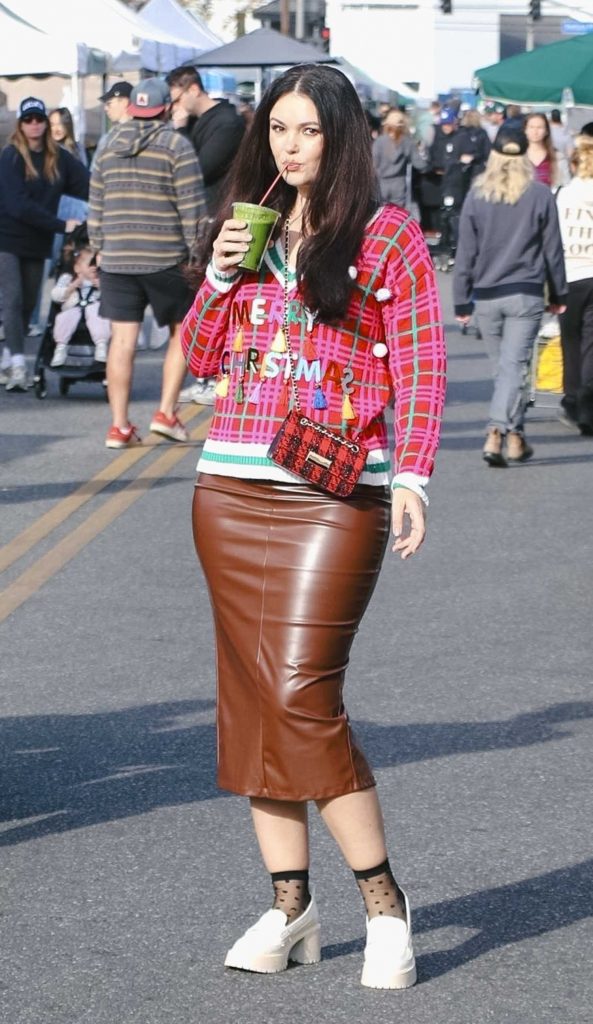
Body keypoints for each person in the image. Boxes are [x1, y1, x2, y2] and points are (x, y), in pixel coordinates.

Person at [181, 63, 446, 987]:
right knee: (250, 700)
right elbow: (203, 355)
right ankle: (291, 908)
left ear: (341, 140)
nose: (290, 147)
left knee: (300, 692)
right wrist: (217, 276)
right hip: (231, 488)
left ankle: (383, 900)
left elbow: (418, 365)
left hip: (335, 493)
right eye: (279, 130)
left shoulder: (386, 236)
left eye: (309, 131)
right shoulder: (246, 228)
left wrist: (410, 474)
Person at [88, 78, 206, 449]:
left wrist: (98, 247)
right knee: (180, 331)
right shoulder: (176, 146)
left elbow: (95, 205)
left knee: (121, 341)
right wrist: (198, 253)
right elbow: (191, 208)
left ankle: (119, 426)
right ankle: (166, 413)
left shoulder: (107, 147)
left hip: (118, 259)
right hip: (165, 258)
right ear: (166, 109)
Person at [454, 126, 567, 466]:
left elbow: (465, 253)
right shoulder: (540, 194)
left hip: (486, 295)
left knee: (504, 369)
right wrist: (558, 291)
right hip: (525, 293)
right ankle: (500, 430)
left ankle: (513, 436)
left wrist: (461, 298)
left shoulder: (476, 195)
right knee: (513, 368)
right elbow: (553, 250)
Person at [167, 64, 246, 407]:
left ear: (193, 90)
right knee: (203, 296)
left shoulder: (226, 123)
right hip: (203, 220)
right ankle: (207, 374)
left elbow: (193, 170)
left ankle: (212, 376)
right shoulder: (206, 122)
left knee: (214, 295)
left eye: (177, 99)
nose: (174, 107)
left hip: (218, 217)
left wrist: (181, 129)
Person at [0, 97, 89, 392]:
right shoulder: (11, 156)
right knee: (12, 299)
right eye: (29, 120)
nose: (35, 125)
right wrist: (62, 225)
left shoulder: (59, 158)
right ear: (20, 124)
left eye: (39, 119)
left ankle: (8, 355)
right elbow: (17, 205)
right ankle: (16, 362)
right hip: (8, 237)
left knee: (28, 304)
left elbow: (86, 184)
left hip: (38, 240)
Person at [556, 130, 593, 434]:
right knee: (590, 343)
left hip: (568, 273)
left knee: (570, 341)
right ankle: (587, 401)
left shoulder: (563, 194)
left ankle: (571, 397)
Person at [421, 106, 476, 265]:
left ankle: (455, 250)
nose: (446, 127)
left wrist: (466, 160)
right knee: (442, 216)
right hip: (440, 181)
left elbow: (472, 155)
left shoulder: (462, 137)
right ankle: (443, 247)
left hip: (456, 183)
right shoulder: (438, 136)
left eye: (448, 124)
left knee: (453, 216)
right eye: (444, 124)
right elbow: (432, 155)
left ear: (454, 123)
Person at [50, 244, 109, 367]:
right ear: (77, 268)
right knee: (63, 318)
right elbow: (56, 295)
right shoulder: (68, 278)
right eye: (90, 264)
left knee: (98, 313)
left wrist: (102, 287)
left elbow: (112, 297)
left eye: (97, 265)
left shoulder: (102, 280)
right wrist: (71, 287)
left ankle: (101, 345)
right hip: (73, 308)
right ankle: (61, 346)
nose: (94, 268)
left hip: (94, 307)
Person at [372, 108, 427, 208]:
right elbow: (419, 164)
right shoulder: (407, 142)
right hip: (399, 185)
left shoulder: (379, 142)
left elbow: (373, 164)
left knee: (381, 215)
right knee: (397, 217)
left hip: (381, 184)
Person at [524, 112, 558, 187]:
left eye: (539, 127)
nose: (535, 132)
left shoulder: (556, 156)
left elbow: (562, 182)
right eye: (531, 127)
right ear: (525, 130)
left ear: (546, 131)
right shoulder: (518, 156)